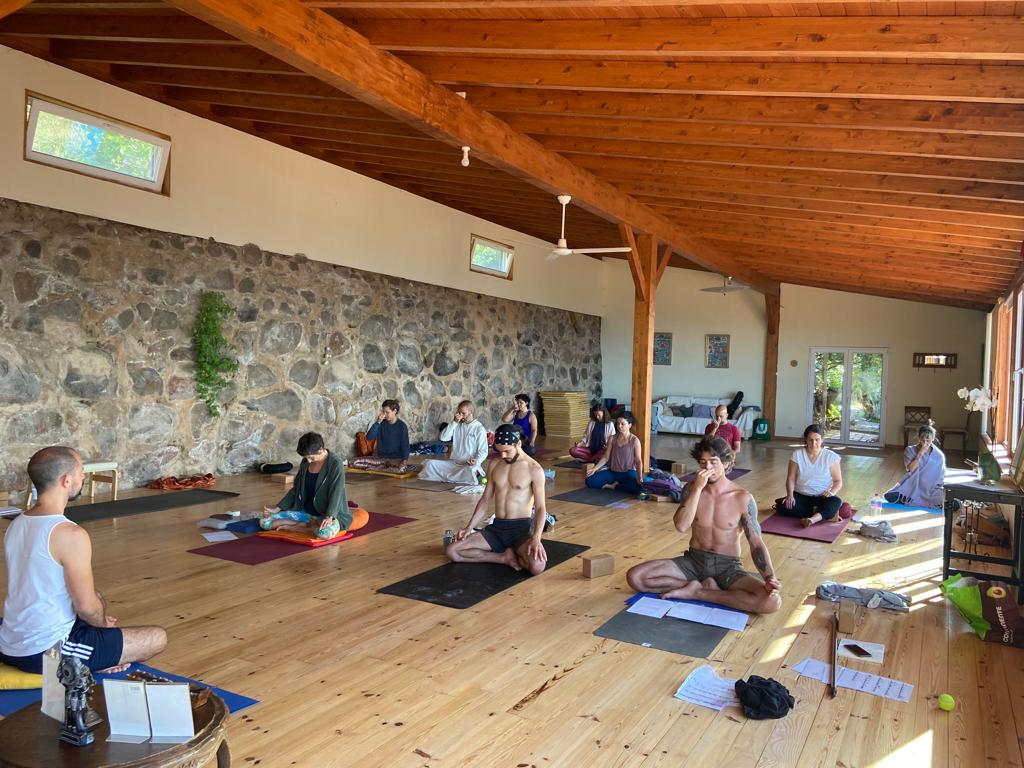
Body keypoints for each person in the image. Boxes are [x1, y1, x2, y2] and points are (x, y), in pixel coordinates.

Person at [0, 447, 167, 674]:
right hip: (44, 652)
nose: (83, 477)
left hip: (10, 640)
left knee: (96, 597)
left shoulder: (17, 524)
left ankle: (97, 648)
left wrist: (99, 623)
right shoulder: (70, 534)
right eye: (81, 472)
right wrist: (103, 629)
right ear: (66, 480)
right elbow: (86, 608)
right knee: (157, 638)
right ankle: (92, 661)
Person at [626, 436, 781, 614]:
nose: (707, 468)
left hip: (727, 567)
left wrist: (769, 577)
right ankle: (701, 588)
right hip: (693, 561)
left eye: (713, 462)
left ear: (726, 463)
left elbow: (756, 543)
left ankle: (699, 592)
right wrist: (697, 489)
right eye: (703, 463)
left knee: (771, 602)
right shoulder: (691, 489)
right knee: (636, 577)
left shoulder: (743, 498)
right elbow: (681, 526)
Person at [445, 424, 548, 574]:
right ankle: (503, 558)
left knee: (537, 566)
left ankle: (514, 553)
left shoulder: (534, 469)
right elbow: (485, 500)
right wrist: (469, 527)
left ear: (518, 444)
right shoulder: (495, 464)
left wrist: (536, 538)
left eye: (507, 451)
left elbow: (540, 508)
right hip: (496, 529)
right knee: (452, 551)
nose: (503, 456)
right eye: (499, 451)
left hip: (520, 531)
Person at [261, 432, 368, 539]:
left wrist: (330, 516)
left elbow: (337, 492)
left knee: (325, 533)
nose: (308, 460)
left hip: (326, 514)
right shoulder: (305, 462)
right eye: (306, 457)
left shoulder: (335, 463)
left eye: (311, 457)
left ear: (320, 450)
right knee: (265, 522)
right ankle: (305, 525)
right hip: (306, 512)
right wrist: (277, 508)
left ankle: (299, 528)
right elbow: (296, 489)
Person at [778, 424, 845, 527]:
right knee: (782, 507)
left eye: (817, 440)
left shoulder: (831, 456)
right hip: (801, 495)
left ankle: (812, 519)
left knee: (836, 501)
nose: (814, 443)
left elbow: (838, 481)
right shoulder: (797, 454)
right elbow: (791, 478)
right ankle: (821, 513)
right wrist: (790, 495)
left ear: (822, 440)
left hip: (822, 496)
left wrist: (832, 492)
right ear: (806, 440)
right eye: (810, 440)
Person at [419, 400, 490, 484]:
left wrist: (476, 461)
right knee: (429, 464)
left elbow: (483, 451)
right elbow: (443, 438)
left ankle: (450, 477)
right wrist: (454, 422)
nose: (460, 416)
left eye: (463, 413)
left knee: (472, 471)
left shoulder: (479, 429)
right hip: (453, 464)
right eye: (459, 413)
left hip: (467, 466)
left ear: (471, 412)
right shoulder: (457, 425)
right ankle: (453, 478)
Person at [585, 411, 646, 498]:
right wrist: (594, 469)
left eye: (622, 424)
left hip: (628, 473)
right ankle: (618, 484)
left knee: (640, 488)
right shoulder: (612, 438)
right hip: (613, 472)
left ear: (629, 425)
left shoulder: (634, 440)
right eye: (618, 423)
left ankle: (614, 486)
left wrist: (639, 477)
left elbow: (638, 461)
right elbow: (606, 457)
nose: (619, 426)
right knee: (590, 481)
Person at [884, 424, 945, 508]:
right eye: (923, 440)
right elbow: (910, 469)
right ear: (919, 438)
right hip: (913, 484)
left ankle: (920, 501)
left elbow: (940, 478)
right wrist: (920, 453)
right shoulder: (910, 450)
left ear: (933, 439)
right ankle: (915, 500)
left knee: (944, 500)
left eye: (928, 440)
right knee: (889, 496)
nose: (925, 443)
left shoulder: (939, 455)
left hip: (931, 488)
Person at [364, 399, 411, 465]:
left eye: (387, 412)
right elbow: (369, 438)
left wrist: (405, 460)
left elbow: (405, 445)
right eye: (383, 412)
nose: (384, 415)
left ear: (394, 411)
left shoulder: (402, 426)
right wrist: (378, 422)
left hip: (396, 459)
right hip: (381, 458)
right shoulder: (380, 424)